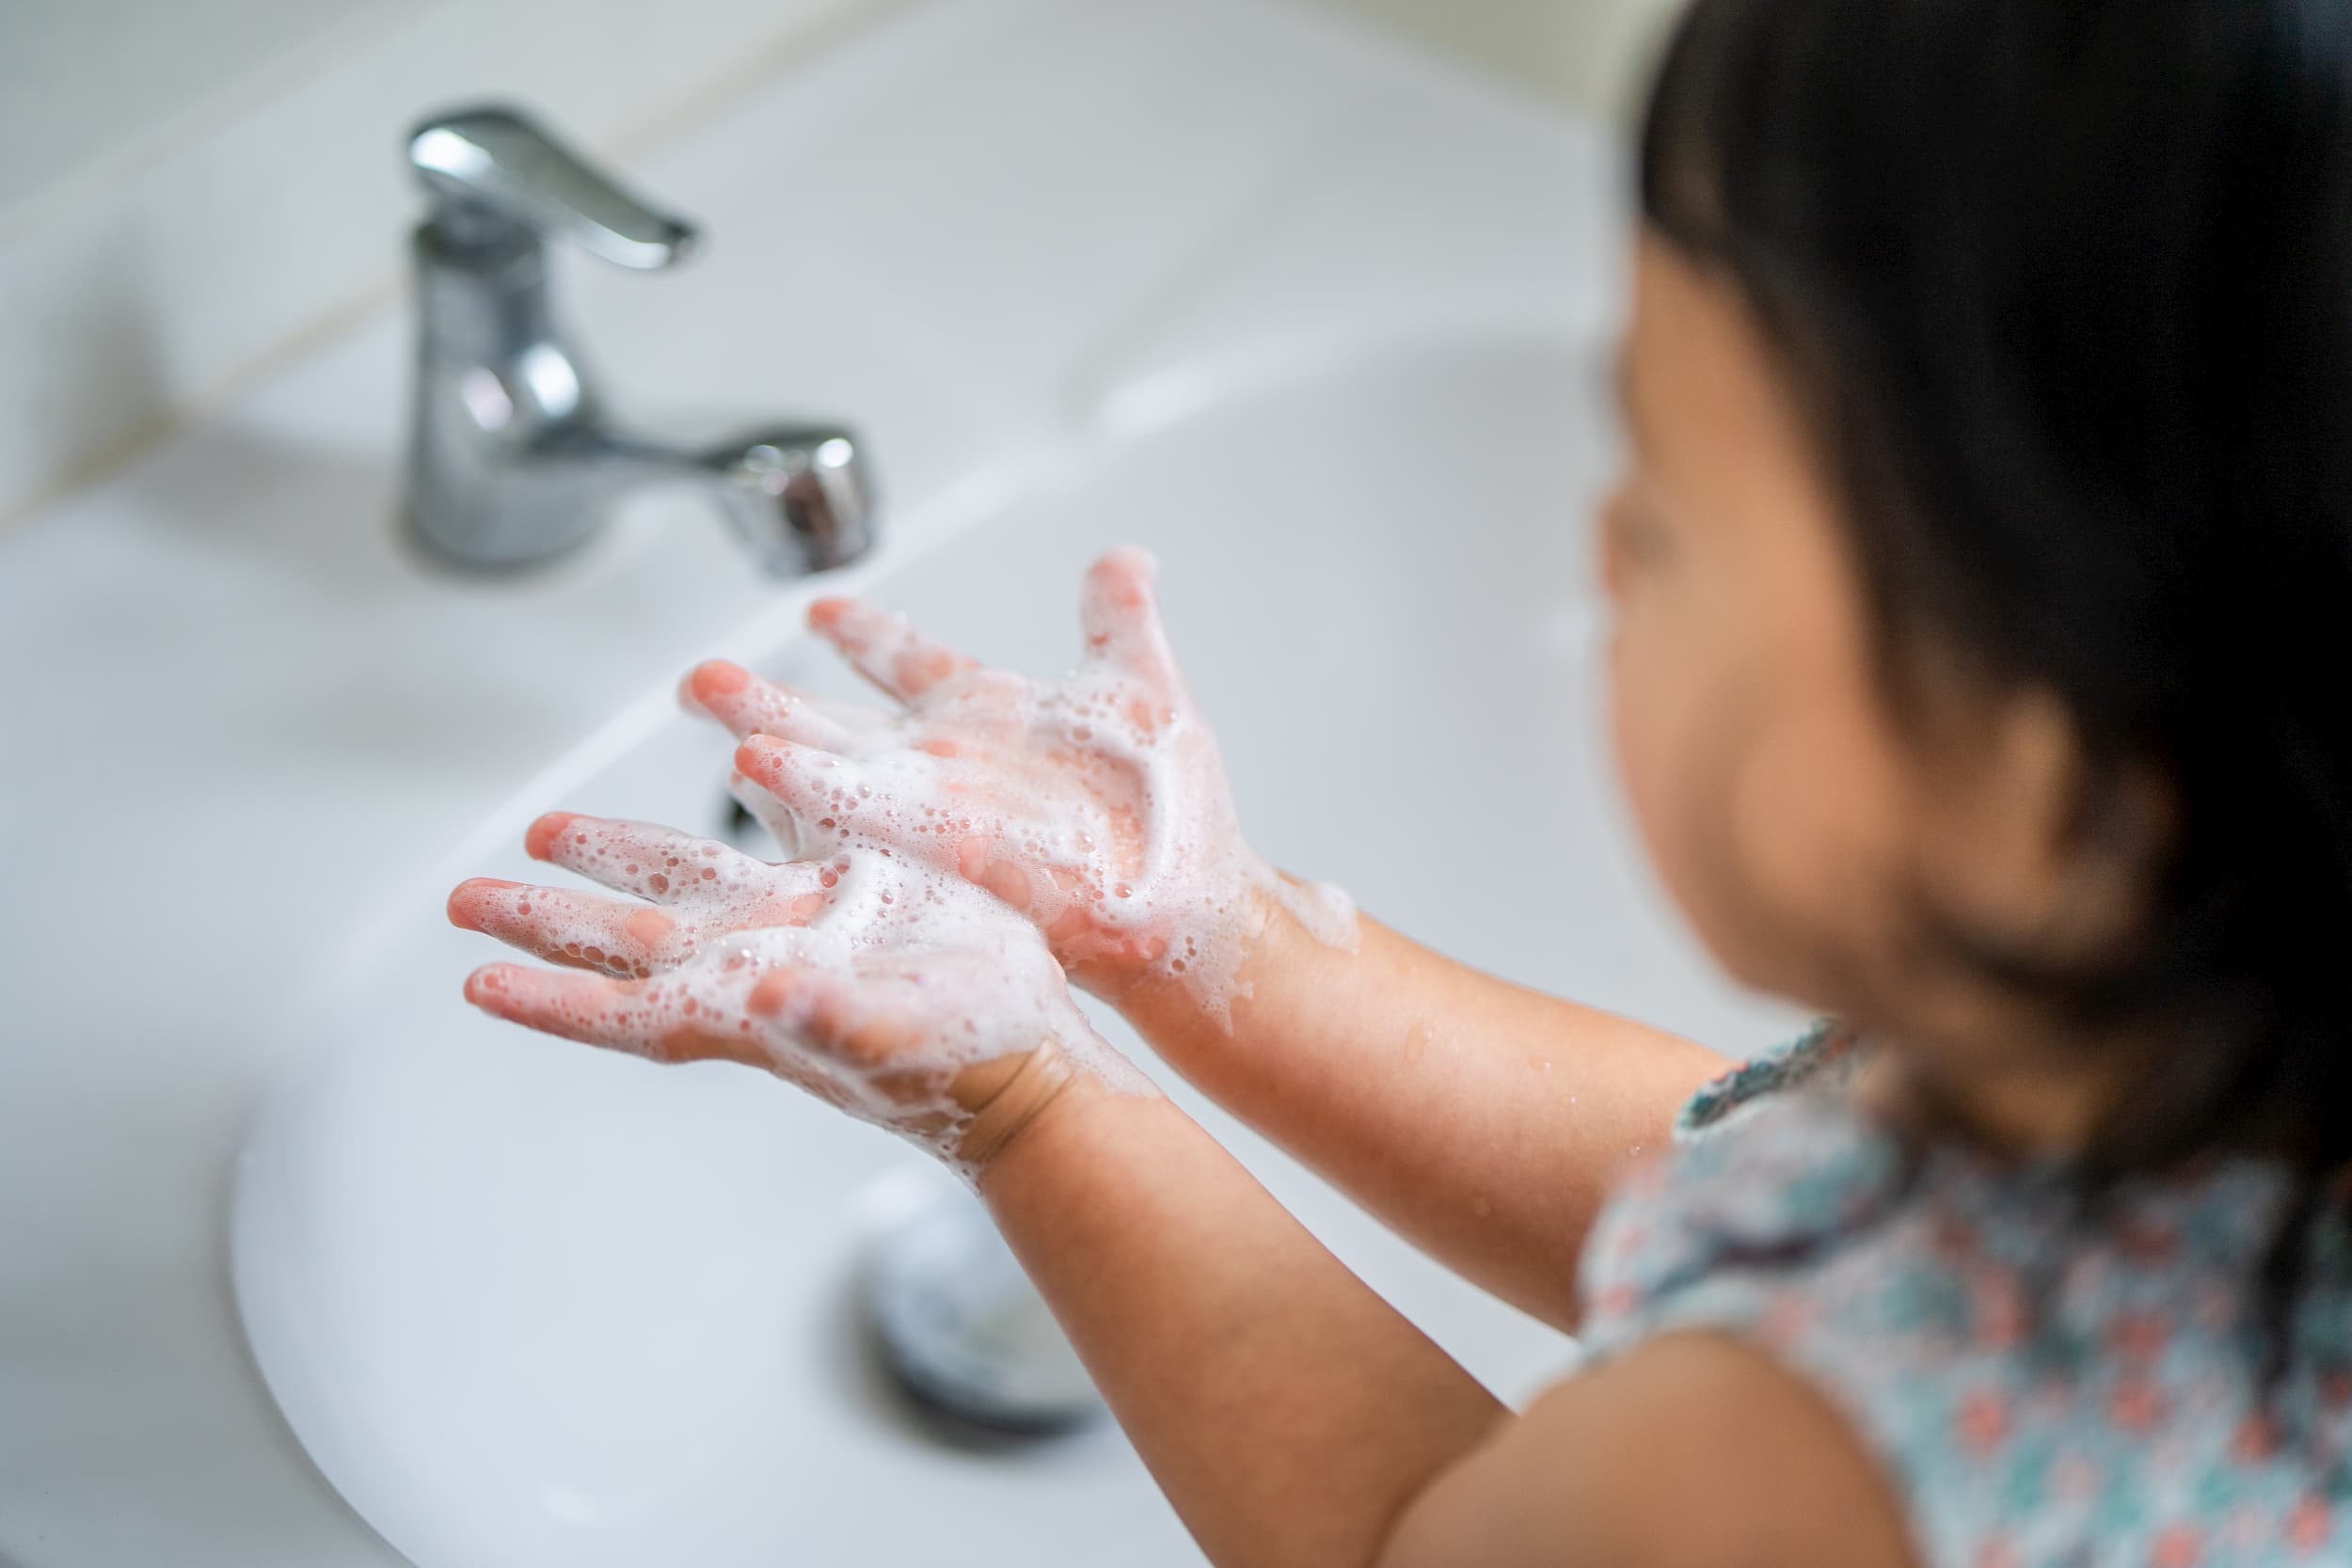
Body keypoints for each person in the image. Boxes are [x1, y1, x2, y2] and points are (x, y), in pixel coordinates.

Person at [443, 1, 2352, 1560]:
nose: (1599, 550)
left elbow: (1399, 1544)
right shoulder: (2218, 1097)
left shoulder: (1807, 1463)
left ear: (2044, 795)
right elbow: (1746, 1189)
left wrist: (1023, 1102)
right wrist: (1223, 948)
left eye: (1667, 522)